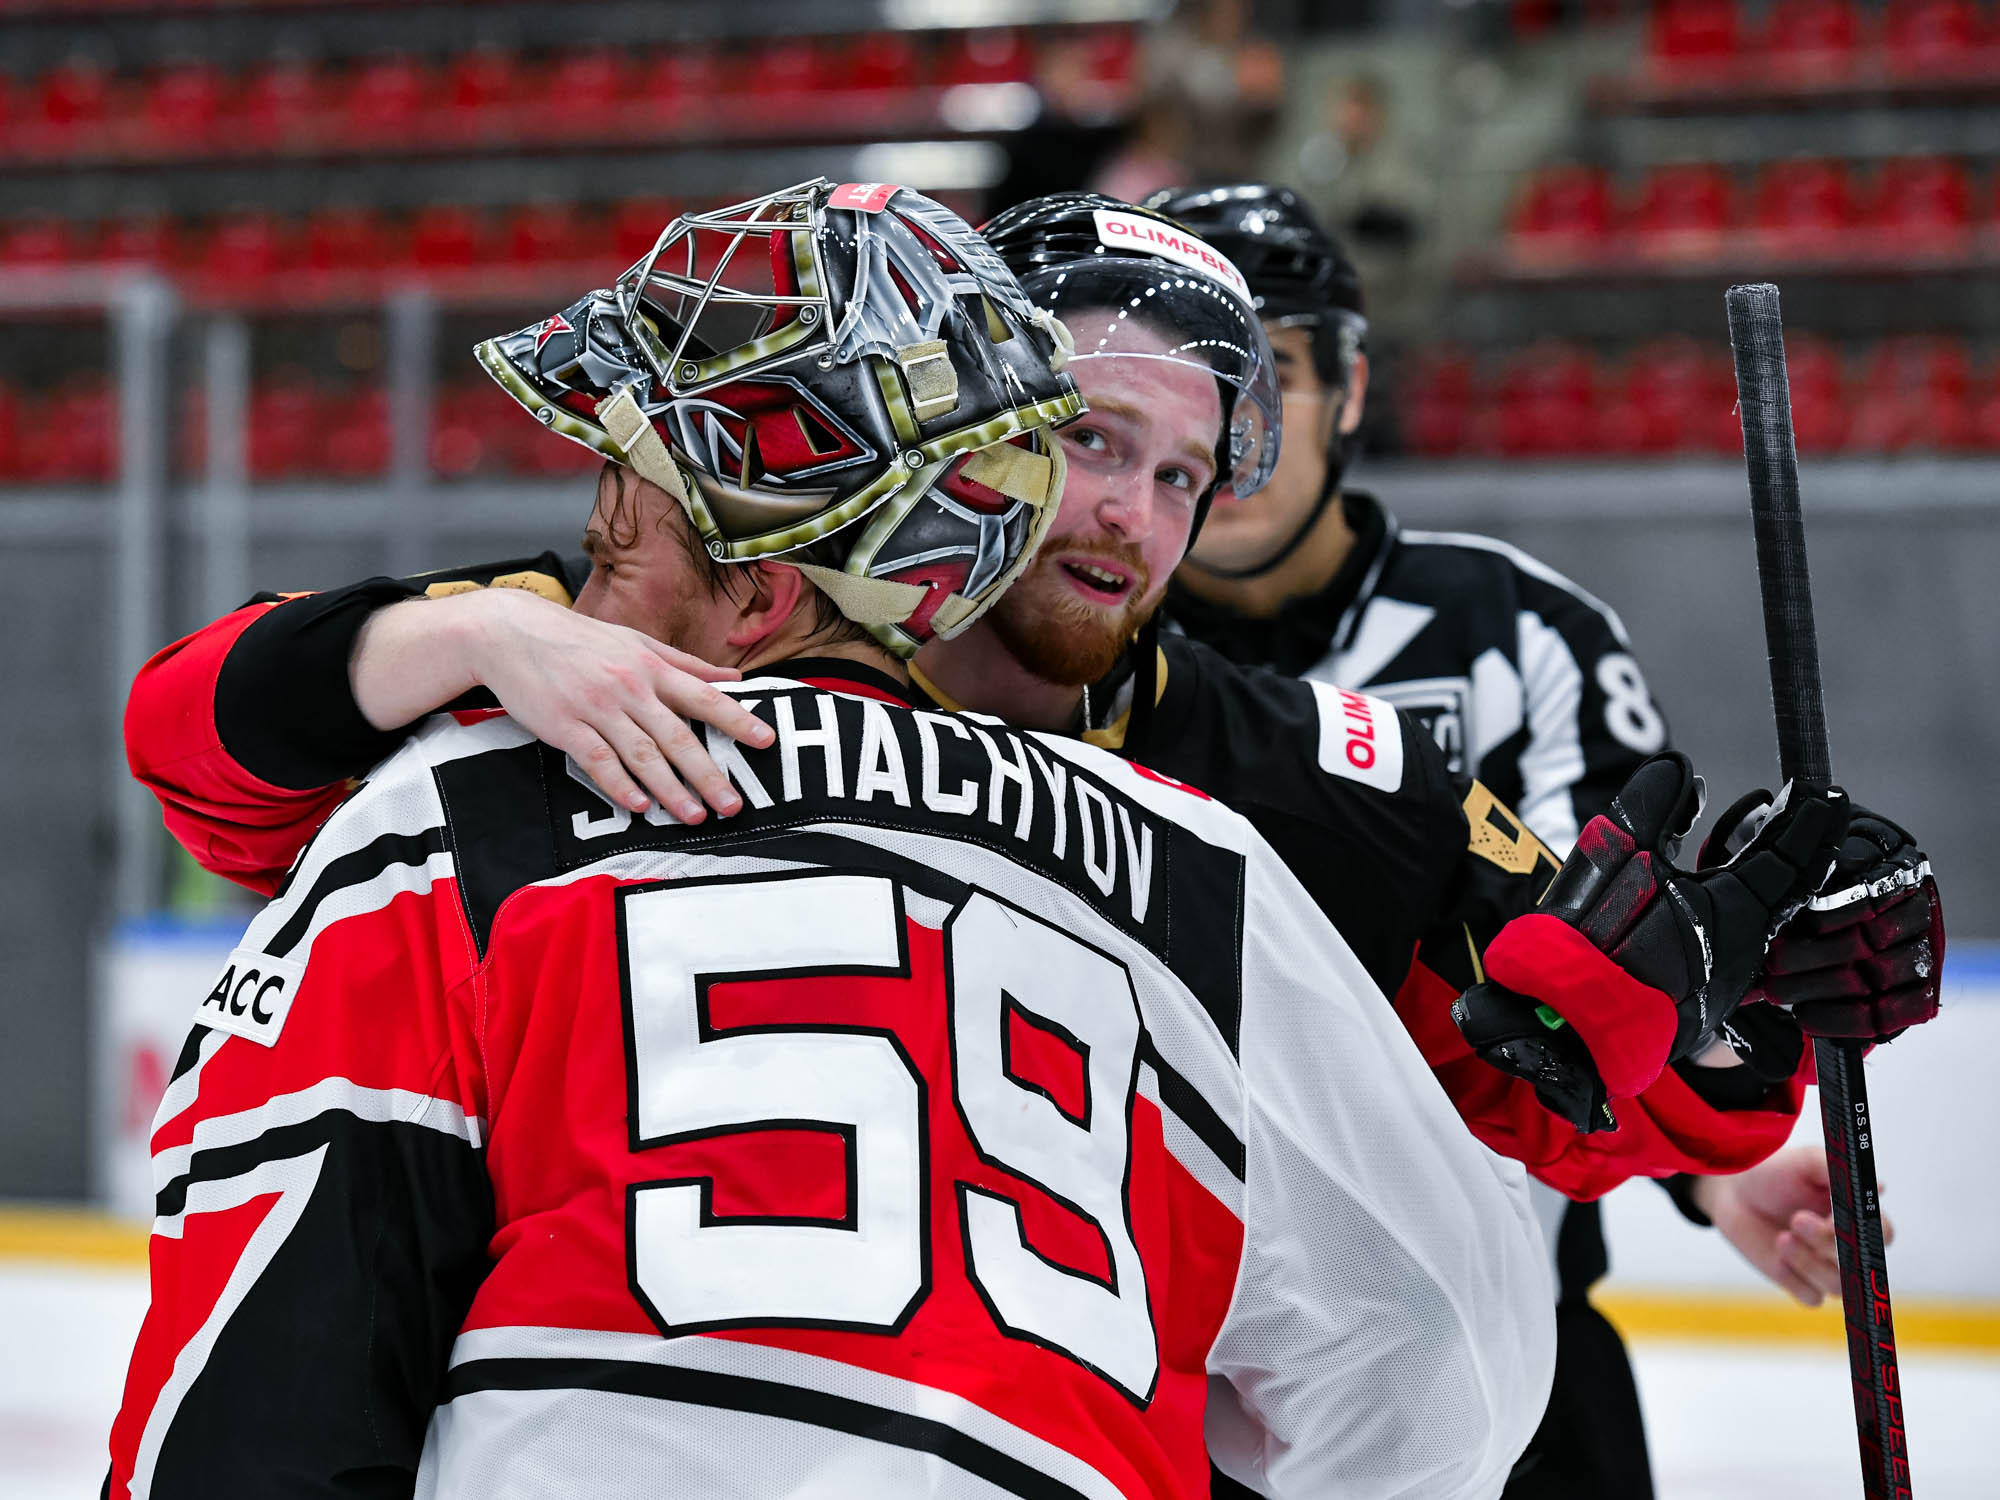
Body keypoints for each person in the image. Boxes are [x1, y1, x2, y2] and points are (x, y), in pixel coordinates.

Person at [107, 179, 1557, 1500]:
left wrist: (476, 639)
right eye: (1100, 445)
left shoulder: (475, 806)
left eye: (625, 534)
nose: (589, 566)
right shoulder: (1211, 874)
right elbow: (1447, 1362)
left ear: (752, 599)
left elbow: (256, 1399)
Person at [126, 196, 1896, 1198]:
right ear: (960, 419)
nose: (1134, 517)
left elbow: (1610, 1080)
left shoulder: (1293, 773)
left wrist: (1751, 991)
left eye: (1186, 477)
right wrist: (456, 638)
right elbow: (195, 757)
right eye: (1090, 442)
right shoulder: (682, 614)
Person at [1143, 180, 1946, 1498]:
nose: (1230, 424)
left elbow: (1627, 971)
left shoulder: (1521, 630)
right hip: (1173, 1339)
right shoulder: (1072, 642)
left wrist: (1702, 1161)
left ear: (1348, 390)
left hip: (1503, 1323)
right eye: (1192, 372)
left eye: (1270, 370)